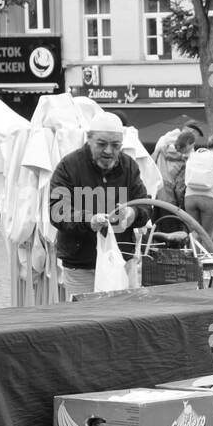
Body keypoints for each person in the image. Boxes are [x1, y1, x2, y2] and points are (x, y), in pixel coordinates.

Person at [47, 111, 148, 300]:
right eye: (101, 144)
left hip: (122, 261)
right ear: (89, 139)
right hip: (81, 265)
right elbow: (57, 210)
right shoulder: (69, 166)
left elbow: (145, 204)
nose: (109, 151)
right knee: (85, 320)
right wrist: (88, 221)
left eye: (116, 146)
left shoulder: (129, 166)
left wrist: (132, 214)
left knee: (125, 320)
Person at [179, 140, 213, 250]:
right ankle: (206, 264)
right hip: (208, 199)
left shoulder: (193, 156)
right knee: (206, 237)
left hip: (189, 199)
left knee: (195, 234)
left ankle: (194, 263)